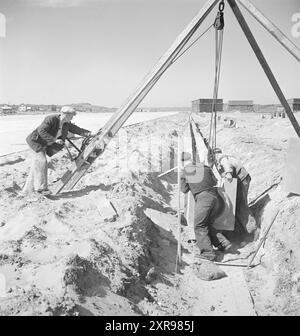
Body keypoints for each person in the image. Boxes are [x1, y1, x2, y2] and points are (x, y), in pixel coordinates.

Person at [23, 106, 91, 195]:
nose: (72, 118)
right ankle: (41, 189)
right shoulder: (51, 119)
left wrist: (89, 134)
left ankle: (27, 191)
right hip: (35, 142)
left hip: (44, 144)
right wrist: (54, 140)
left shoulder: (66, 123)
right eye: (72, 116)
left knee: (36, 167)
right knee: (42, 161)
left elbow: (76, 129)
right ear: (66, 115)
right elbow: (41, 131)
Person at [180, 152, 232, 262]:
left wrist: (182, 177)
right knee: (206, 224)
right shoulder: (205, 167)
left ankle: (208, 253)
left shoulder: (185, 171)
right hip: (216, 198)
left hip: (203, 199)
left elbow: (184, 190)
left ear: (183, 162)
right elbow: (215, 181)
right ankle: (224, 243)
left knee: (199, 225)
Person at [214, 149, 258, 237]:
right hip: (243, 179)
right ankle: (244, 229)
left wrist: (228, 174)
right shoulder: (229, 156)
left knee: (241, 205)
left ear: (215, 154)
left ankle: (252, 230)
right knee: (238, 204)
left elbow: (228, 168)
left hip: (242, 180)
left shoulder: (223, 159)